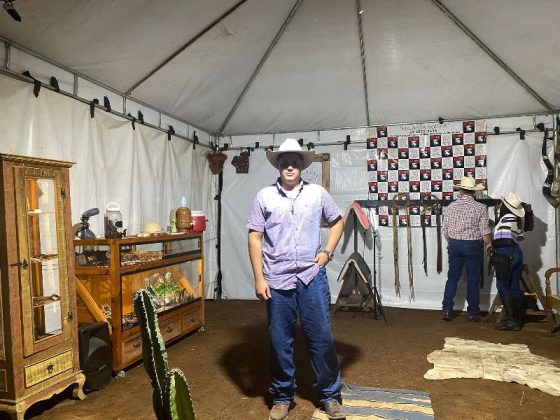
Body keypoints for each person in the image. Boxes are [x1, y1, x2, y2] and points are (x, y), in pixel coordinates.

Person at [247, 138, 345, 420]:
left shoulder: (317, 193)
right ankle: (282, 396)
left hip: (311, 276)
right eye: (284, 162)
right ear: (278, 166)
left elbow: (337, 221)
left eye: (294, 162)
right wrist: (259, 277)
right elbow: (254, 236)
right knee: (280, 340)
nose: (289, 167)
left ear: (302, 165)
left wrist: (327, 251)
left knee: (321, 337)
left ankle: (329, 395)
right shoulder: (264, 196)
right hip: (276, 278)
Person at [441, 176, 492, 322]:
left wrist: (453, 242)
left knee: (452, 278)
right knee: (473, 279)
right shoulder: (480, 207)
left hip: (454, 244)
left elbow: (445, 231)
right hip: (472, 246)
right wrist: (489, 245)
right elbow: (484, 231)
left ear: (461, 191)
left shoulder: (451, 206)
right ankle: (473, 312)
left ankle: (447, 310)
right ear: (474, 192)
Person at [491, 193, 526, 331]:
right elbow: (518, 238)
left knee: (503, 286)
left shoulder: (506, 219)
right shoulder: (516, 219)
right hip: (516, 253)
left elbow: (503, 240)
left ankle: (513, 321)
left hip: (505, 254)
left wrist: (492, 245)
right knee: (514, 285)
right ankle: (518, 319)